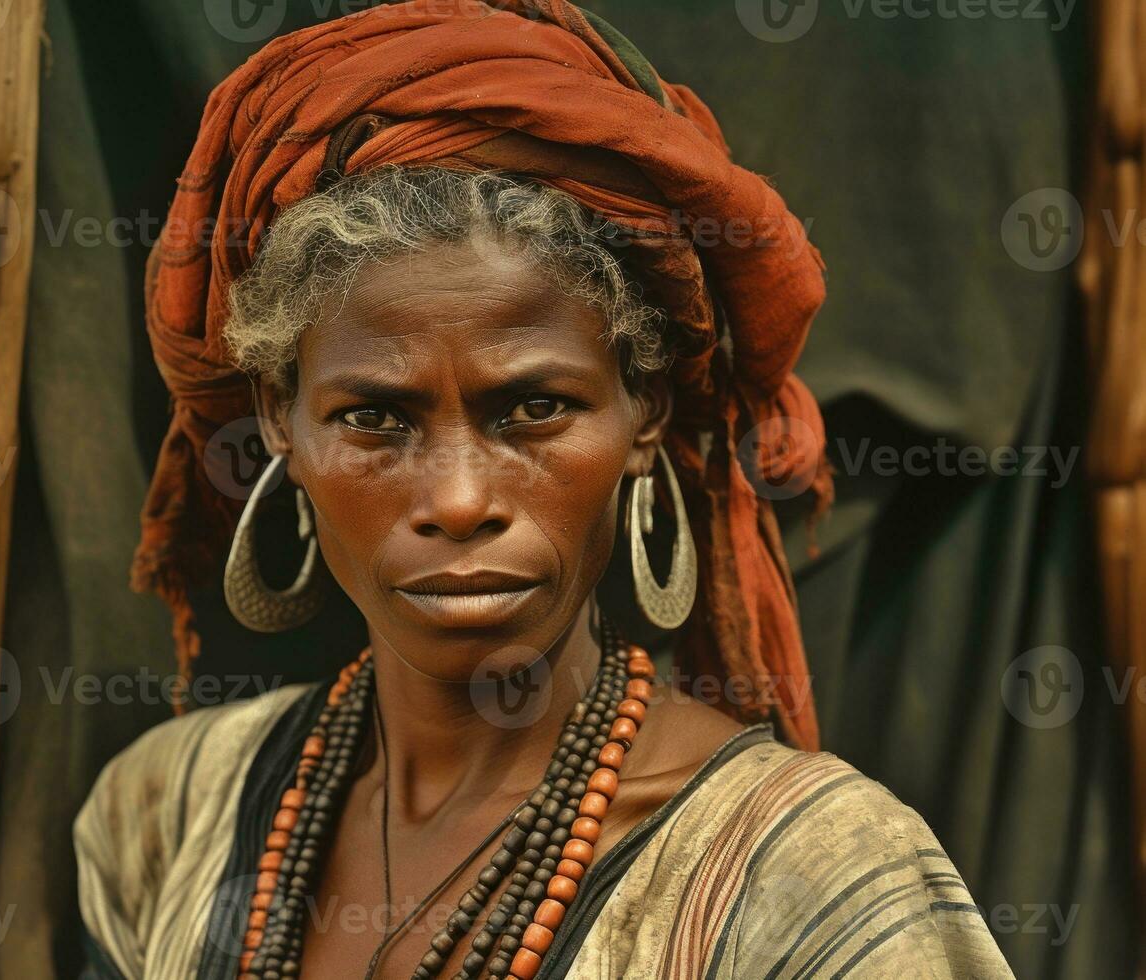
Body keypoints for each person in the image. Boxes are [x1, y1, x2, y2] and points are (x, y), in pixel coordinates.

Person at [74, 2, 1014, 977]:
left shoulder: (815, 883)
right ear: (279, 419)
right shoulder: (166, 814)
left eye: (530, 409)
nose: (457, 496)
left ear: (642, 412)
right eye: (373, 418)